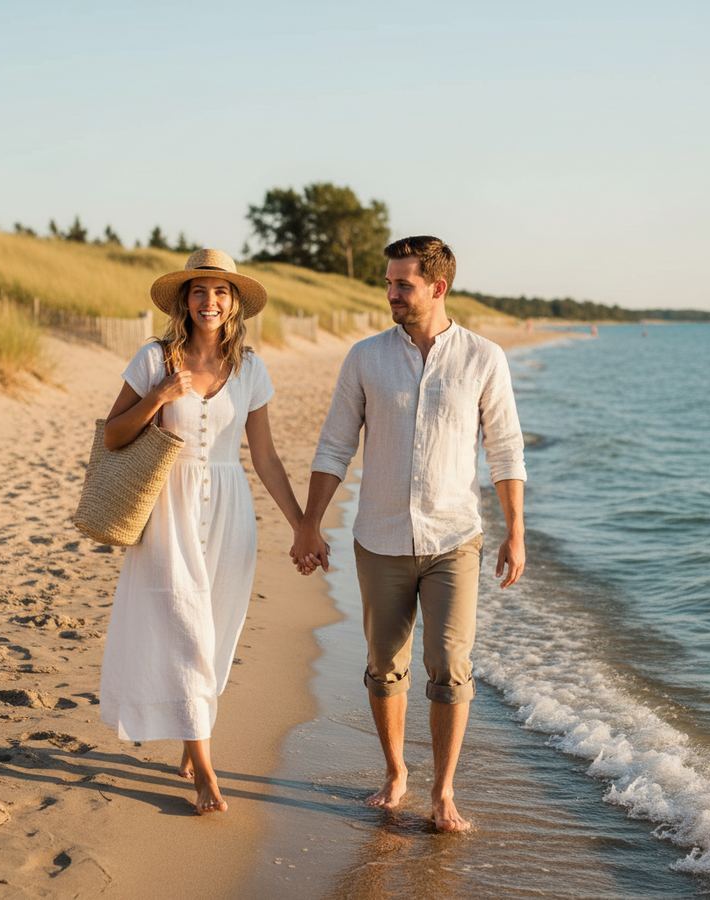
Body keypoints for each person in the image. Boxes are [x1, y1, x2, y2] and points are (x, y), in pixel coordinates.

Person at [292, 236, 527, 832]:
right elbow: (335, 444)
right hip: (381, 538)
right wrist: (309, 522)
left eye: (403, 285)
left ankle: (444, 791)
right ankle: (396, 771)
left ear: (437, 288)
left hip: (455, 540)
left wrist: (516, 531)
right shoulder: (366, 357)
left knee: (449, 664)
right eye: (389, 282)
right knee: (384, 664)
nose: (391, 293)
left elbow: (505, 450)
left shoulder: (483, 358)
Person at [99, 249, 304, 815]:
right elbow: (113, 436)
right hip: (168, 507)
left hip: (231, 508)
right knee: (187, 628)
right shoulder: (154, 358)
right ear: (183, 301)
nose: (208, 301)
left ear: (234, 301)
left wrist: (302, 524)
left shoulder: (252, 368)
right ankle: (205, 770)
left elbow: (264, 457)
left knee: (216, 631)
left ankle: (193, 736)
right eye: (198, 291)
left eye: (220, 291)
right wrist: (158, 398)